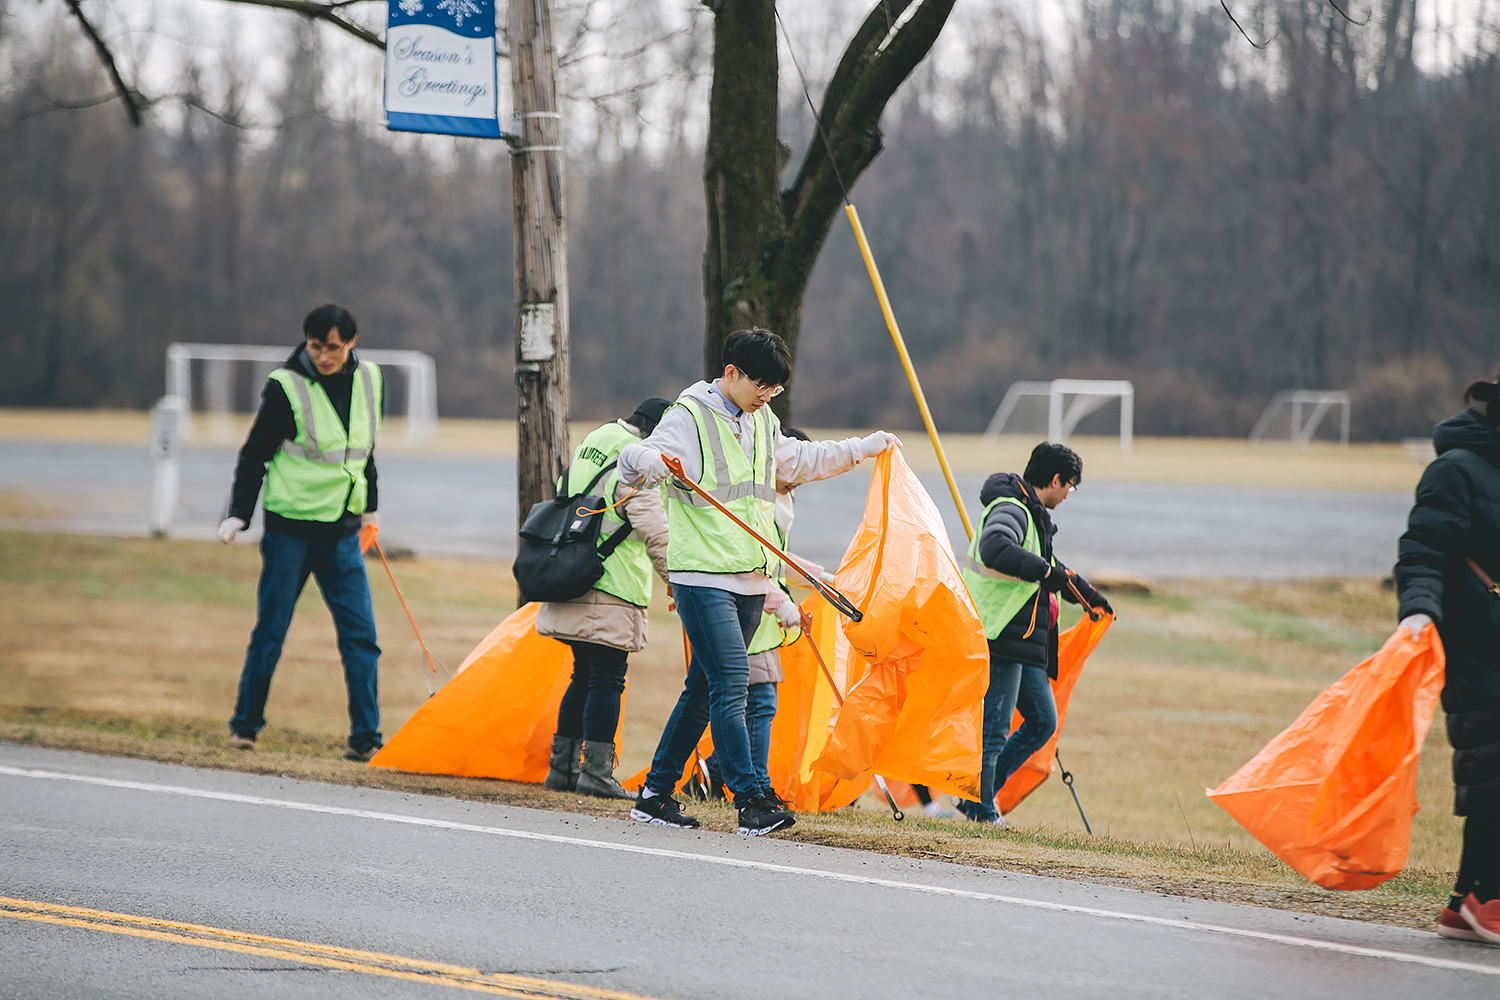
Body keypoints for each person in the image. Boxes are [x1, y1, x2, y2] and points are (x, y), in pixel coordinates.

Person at [617, 327, 898, 835]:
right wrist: (654, 462)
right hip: (701, 575)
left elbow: (804, 460)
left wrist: (864, 448)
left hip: (748, 577)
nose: (767, 396)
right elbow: (632, 462)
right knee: (731, 683)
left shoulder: (763, 420)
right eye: (760, 385)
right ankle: (750, 798)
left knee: (702, 690)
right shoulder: (688, 417)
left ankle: (655, 793)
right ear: (731, 373)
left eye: (775, 389)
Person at [218, 304, 386, 762]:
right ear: (306, 342)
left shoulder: (371, 380)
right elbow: (253, 455)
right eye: (316, 347)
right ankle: (245, 727)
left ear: (351, 343)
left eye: (333, 347)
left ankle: (365, 737)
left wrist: (370, 509)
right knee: (270, 632)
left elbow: (363, 451)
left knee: (362, 637)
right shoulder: (285, 387)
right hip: (289, 532)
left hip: (342, 533)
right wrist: (239, 514)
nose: (324, 356)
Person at [1395, 369, 1500, 944]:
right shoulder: (1454, 469)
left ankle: (1466, 898)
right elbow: (1422, 551)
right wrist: (1419, 612)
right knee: (1495, 765)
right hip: (1472, 643)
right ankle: (1489, 898)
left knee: (1491, 769)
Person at [957, 441, 1111, 824]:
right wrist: (1046, 573)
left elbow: (1050, 564)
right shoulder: (1011, 508)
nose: (1068, 494)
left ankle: (979, 796)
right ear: (1056, 479)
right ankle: (981, 808)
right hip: (1000, 632)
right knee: (995, 730)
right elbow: (996, 548)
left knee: (1043, 721)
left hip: (1023, 640)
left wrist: (1089, 596)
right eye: (1070, 486)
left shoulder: (1033, 513)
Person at [537, 397, 673, 799]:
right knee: (609, 676)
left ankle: (561, 770)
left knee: (583, 673)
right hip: (611, 580)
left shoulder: (598, 437)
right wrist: (679, 580)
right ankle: (596, 773)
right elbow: (653, 526)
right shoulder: (637, 457)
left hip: (573, 571)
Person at [705, 426, 831, 804]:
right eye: (797, 469)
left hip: (759, 618)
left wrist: (820, 579)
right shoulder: (757, 498)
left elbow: (776, 559)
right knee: (759, 702)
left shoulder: (777, 498)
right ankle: (754, 783)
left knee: (748, 702)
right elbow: (753, 564)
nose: (800, 479)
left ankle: (717, 767)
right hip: (748, 612)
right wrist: (785, 604)